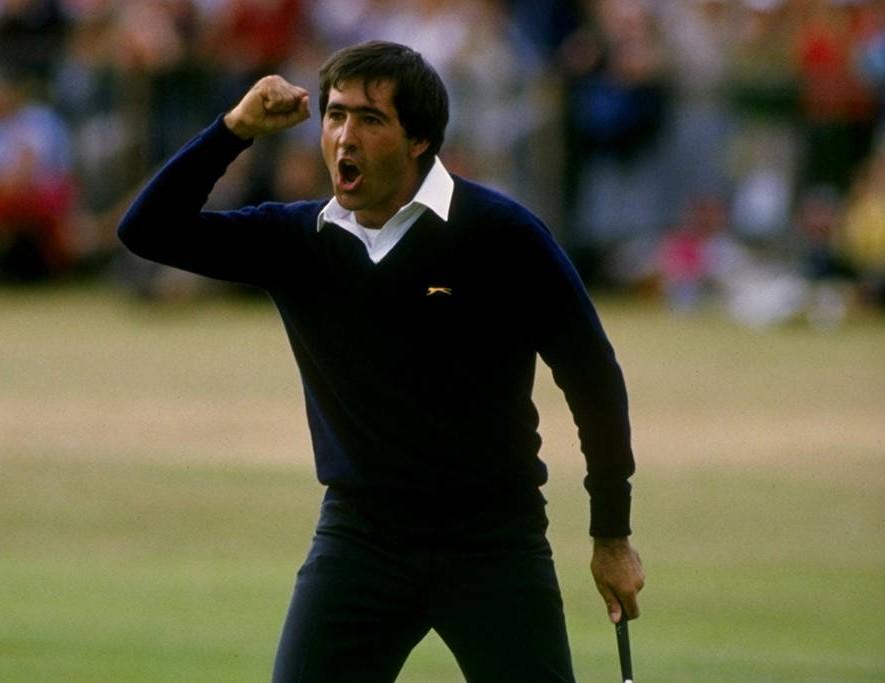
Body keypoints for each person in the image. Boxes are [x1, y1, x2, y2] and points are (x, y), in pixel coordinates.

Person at [118, 40, 643, 683]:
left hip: (493, 543)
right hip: (360, 543)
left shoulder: (503, 235)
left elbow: (593, 378)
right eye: (335, 115)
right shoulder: (296, 239)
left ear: (418, 140)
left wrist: (611, 534)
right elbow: (146, 230)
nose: (345, 136)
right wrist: (234, 130)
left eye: (370, 119)